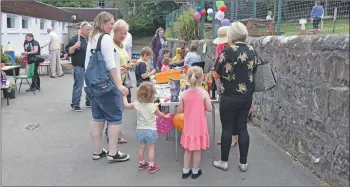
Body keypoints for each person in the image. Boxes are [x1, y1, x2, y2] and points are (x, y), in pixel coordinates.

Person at [84, 11, 130, 162]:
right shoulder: (105, 38)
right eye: (111, 23)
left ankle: (97, 151)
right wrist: (119, 85)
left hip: (91, 85)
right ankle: (113, 152)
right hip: (106, 86)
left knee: (97, 118)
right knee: (115, 118)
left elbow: (92, 64)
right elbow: (110, 64)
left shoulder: (92, 38)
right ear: (103, 23)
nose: (112, 26)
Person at [212, 22, 258, 172]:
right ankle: (243, 163)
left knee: (227, 128)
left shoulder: (227, 52)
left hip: (229, 96)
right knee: (243, 127)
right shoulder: (252, 51)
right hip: (246, 97)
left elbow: (216, 74)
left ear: (231, 35)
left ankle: (224, 162)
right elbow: (254, 70)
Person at [123, 82, 171, 174]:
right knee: (151, 148)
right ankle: (151, 166)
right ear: (153, 94)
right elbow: (161, 116)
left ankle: (141, 163)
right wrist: (167, 116)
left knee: (141, 148)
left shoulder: (137, 104)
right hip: (150, 130)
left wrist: (124, 96)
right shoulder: (153, 106)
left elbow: (126, 105)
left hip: (140, 130)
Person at [178, 66, 212, 179]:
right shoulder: (204, 93)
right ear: (201, 78)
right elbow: (210, 109)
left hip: (188, 126)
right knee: (197, 150)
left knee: (187, 150)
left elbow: (179, 110)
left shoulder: (184, 94)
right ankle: (195, 171)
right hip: (200, 126)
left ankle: (185, 170)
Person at [212, 26, 238, 147]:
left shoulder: (225, 52)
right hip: (241, 89)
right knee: (237, 117)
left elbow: (216, 74)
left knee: (227, 116)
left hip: (228, 89)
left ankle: (229, 140)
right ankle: (233, 138)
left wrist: (215, 70)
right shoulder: (244, 49)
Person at [66, 22, 92, 111]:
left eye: (90, 29)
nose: (89, 31)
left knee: (89, 85)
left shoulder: (89, 39)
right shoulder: (74, 39)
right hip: (79, 66)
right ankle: (75, 104)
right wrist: (74, 46)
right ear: (81, 29)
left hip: (88, 66)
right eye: (87, 29)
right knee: (78, 85)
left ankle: (89, 101)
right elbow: (68, 51)